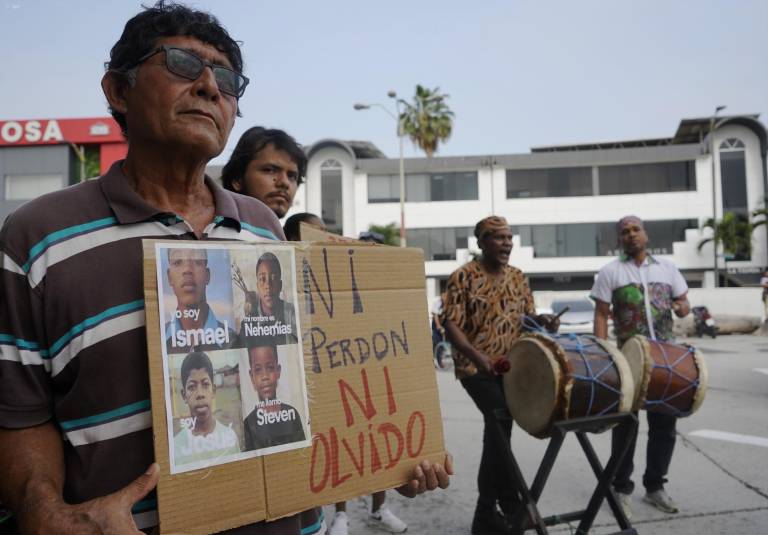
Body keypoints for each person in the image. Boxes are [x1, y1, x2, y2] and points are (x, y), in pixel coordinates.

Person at [0, 3, 450, 533]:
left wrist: (379, 452)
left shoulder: (264, 229)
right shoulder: (38, 238)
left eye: (229, 79)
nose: (212, 88)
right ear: (118, 91)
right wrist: (47, 514)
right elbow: (19, 414)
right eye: (183, 64)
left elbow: (305, 380)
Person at [442, 216, 558, 535]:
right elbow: (450, 324)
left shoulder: (518, 277)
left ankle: (498, 510)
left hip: (511, 367)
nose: (506, 243)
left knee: (499, 432)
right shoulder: (462, 277)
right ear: (481, 242)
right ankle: (496, 508)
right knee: (501, 419)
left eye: (509, 237)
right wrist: (478, 358)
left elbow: (527, 318)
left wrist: (544, 321)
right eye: (498, 238)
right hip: (475, 368)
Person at [591, 215, 690, 520]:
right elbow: (601, 315)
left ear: (645, 234)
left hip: (665, 360)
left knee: (665, 427)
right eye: (625, 232)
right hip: (628, 360)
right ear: (620, 239)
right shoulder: (610, 272)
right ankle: (621, 489)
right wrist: (603, 353)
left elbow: (684, 301)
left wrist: (682, 307)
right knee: (625, 427)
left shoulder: (668, 268)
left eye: (636, 229)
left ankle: (655, 486)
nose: (631, 235)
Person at [221, 127, 306, 219]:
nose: (285, 182)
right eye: (270, 170)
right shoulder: (210, 230)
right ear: (237, 179)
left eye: (292, 176)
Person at [174, 351, 240, 467]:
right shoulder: (176, 446)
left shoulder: (229, 437)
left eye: (205, 385)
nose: (200, 394)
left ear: (213, 390)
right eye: (192, 387)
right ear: (184, 395)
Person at [165, 248, 237, 353]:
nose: (187, 269)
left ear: (207, 275)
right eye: (178, 262)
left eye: (197, 261)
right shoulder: (157, 338)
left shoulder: (233, 340)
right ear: (169, 277)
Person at [243, 344, 305, 451]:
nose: (265, 376)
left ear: (278, 371)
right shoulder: (248, 424)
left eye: (270, 368)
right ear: (251, 376)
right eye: (258, 370)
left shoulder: (292, 414)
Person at [239, 252, 298, 345]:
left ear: (280, 285)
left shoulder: (293, 314)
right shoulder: (249, 322)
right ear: (257, 286)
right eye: (262, 279)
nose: (268, 285)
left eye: (273, 278)